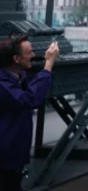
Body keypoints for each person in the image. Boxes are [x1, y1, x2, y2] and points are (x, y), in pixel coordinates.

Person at [0, 35, 60, 191]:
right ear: (16, 59)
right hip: (5, 155)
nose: (33, 56)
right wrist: (48, 66)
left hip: (14, 153)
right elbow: (28, 100)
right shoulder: (3, 84)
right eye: (29, 53)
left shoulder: (18, 77)